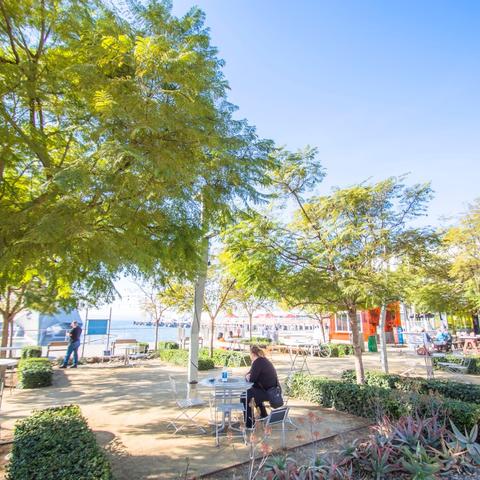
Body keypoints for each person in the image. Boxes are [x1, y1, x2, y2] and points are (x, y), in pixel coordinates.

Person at [241, 345, 279, 429]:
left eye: (250, 354)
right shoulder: (262, 360)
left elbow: (251, 379)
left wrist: (248, 376)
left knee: (244, 396)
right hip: (272, 391)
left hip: (268, 393)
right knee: (252, 392)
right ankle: (263, 414)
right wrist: (248, 375)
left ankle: (249, 424)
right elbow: (250, 374)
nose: (249, 356)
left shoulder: (257, 362)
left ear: (253, 354)